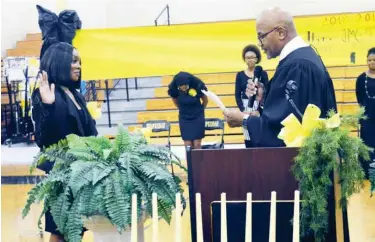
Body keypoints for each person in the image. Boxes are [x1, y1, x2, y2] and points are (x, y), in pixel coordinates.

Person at [224, 7, 337, 147]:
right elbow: (290, 111)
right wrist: (264, 98)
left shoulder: (299, 66)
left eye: (261, 36)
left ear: (281, 33)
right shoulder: (302, 59)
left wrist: (245, 120)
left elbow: (285, 133)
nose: (260, 44)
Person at [31, 42, 98, 242]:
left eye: (79, 62)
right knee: (60, 229)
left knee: (78, 228)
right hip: (62, 172)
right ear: (59, 63)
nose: (78, 66)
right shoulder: (45, 94)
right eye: (73, 61)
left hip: (82, 169)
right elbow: (43, 139)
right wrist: (49, 107)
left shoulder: (76, 94)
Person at [235, 44, 268, 147]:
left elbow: (266, 93)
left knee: (259, 133)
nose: (249, 60)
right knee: (247, 134)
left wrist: (258, 110)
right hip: (245, 107)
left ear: (257, 59)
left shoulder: (263, 74)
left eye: (252, 58)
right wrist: (242, 109)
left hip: (259, 107)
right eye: (247, 58)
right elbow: (237, 95)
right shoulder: (240, 75)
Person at [168, 72, 208, 149]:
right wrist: (184, 110)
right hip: (184, 118)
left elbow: (205, 101)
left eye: (186, 87)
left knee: (197, 144)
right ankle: (190, 161)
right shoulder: (174, 90)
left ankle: (198, 161)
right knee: (188, 145)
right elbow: (176, 103)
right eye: (181, 88)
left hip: (197, 117)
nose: (184, 89)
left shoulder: (197, 86)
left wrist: (200, 111)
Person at [356, 47, 375, 178]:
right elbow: (359, 96)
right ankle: (367, 172)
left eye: (374, 60)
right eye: (369, 60)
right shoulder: (361, 78)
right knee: (367, 143)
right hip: (367, 117)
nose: (372, 62)